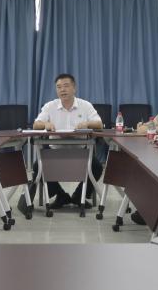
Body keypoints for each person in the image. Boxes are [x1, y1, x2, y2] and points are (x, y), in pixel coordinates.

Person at [19, 73, 104, 213]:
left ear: (74, 88)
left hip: (81, 153)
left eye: (66, 86)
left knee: (97, 167)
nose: (62, 90)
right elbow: (36, 125)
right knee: (37, 167)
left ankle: (79, 196)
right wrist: (46, 124)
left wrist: (87, 123)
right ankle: (61, 196)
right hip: (55, 152)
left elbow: (99, 124)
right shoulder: (50, 106)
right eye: (59, 87)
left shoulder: (85, 105)